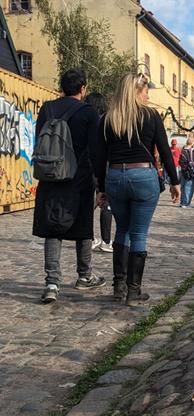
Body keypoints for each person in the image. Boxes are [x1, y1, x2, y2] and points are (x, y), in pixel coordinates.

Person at [95, 73, 180, 306]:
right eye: (145, 92)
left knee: (122, 230)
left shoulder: (107, 119)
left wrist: (100, 188)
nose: (148, 96)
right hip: (143, 176)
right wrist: (175, 182)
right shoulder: (151, 116)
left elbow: (99, 156)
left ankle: (118, 286)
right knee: (139, 234)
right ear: (136, 92)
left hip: (115, 177)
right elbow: (164, 150)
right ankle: (134, 292)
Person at [33, 68, 106, 304]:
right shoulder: (88, 112)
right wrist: (100, 184)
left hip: (50, 177)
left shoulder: (47, 109)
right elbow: (96, 150)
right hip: (79, 178)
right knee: (83, 227)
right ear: (83, 88)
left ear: (62, 87)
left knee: (52, 229)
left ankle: (52, 283)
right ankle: (84, 276)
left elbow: (39, 141)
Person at [85, 92, 114, 254]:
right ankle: (106, 240)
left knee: (89, 205)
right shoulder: (105, 122)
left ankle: (89, 237)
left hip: (87, 167)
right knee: (105, 204)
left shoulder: (86, 121)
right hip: (103, 167)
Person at [179, 136, 194, 208]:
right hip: (189, 172)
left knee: (183, 187)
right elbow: (191, 162)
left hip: (183, 171)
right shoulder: (190, 151)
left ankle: (182, 202)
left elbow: (181, 162)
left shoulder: (183, 150)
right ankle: (186, 203)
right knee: (188, 188)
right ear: (192, 143)